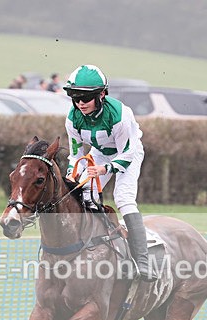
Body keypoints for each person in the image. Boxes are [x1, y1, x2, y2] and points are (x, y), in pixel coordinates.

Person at [62, 64, 158, 282]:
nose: (80, 103)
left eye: (85, 98)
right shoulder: (72, 118)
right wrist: (71, 177)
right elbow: (76, 157)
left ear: (102, 94)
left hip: (128, 154)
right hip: (100, 154)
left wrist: (106, 168)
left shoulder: (121, 115)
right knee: (85, 193)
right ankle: (92, 249)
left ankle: (142, 262)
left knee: (123, 198)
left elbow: (127, 152)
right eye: (75, 98)